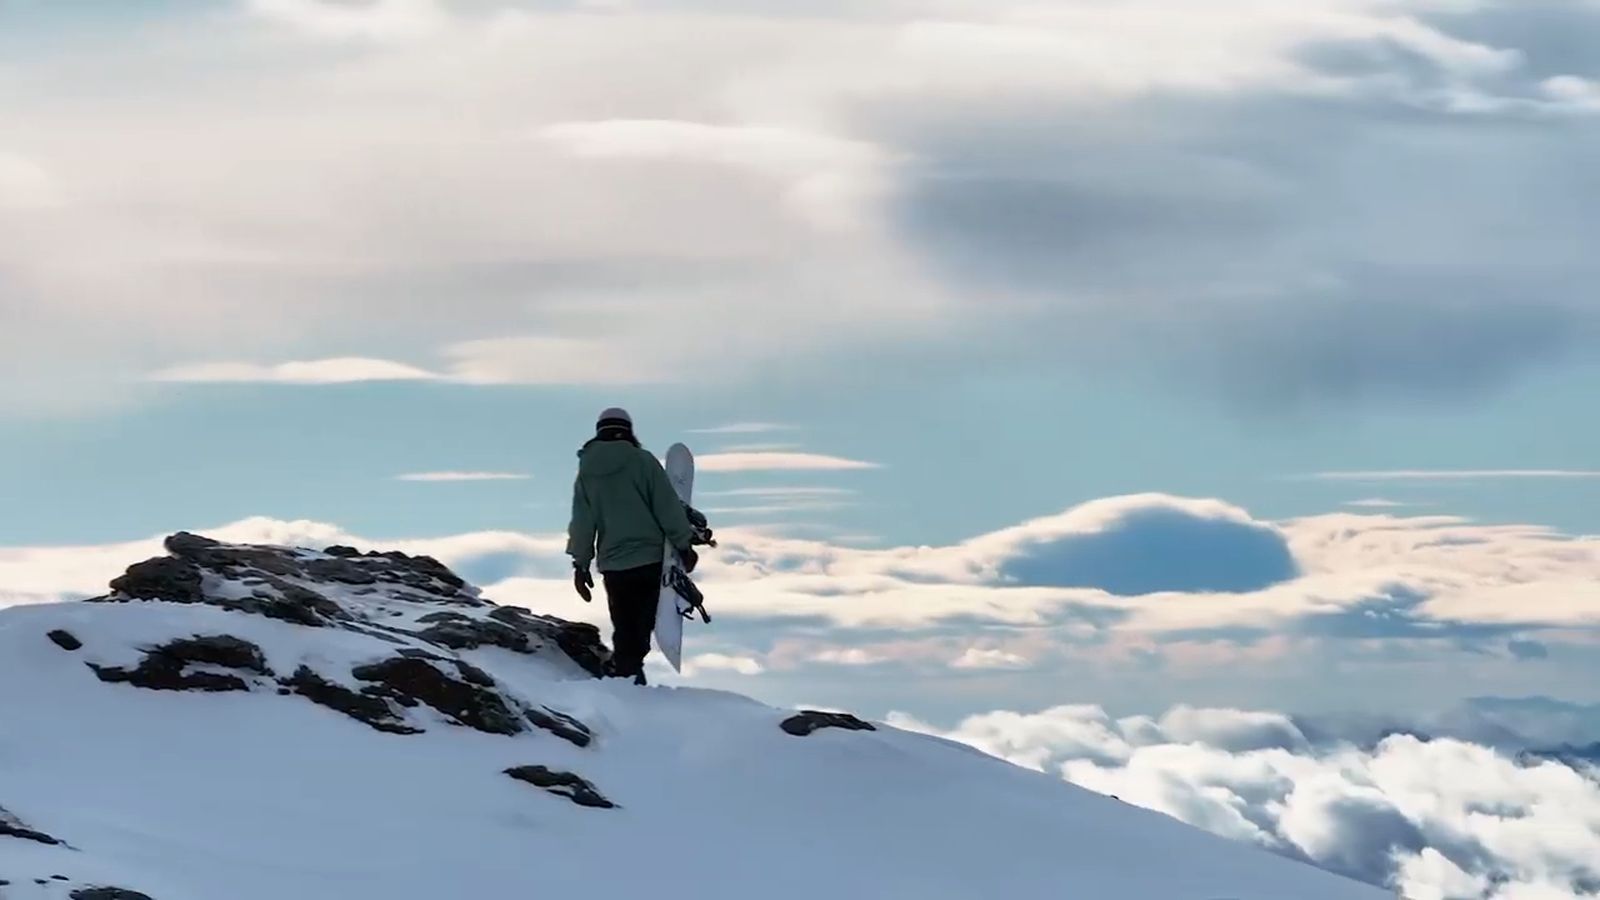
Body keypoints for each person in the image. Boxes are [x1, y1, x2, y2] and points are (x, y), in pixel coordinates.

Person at [565, 408, 697, 685]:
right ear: (628, 430)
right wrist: (684, 545)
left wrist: (581, 564)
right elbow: (666, 506)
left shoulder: (587, 472)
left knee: (625, 627)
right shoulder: (643, 462)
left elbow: (582, 522)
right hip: (650, 559)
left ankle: (626, 676)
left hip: (614, 565)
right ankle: (627, 677)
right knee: (641, 627)